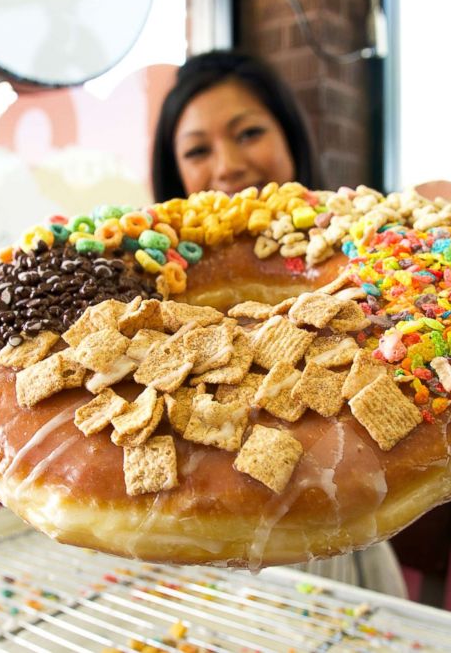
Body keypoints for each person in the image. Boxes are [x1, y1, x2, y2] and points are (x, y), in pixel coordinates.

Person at [152, 50, 408, 599]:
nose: (226, 165)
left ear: (290, 137)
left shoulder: (368, 257)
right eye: (198, 149)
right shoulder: (148, 301)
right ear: (174, 171)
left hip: (341, 567)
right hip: (186, 576)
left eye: (247, 133)